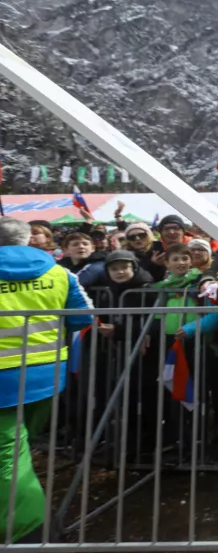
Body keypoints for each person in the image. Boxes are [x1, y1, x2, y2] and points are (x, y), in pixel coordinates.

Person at [0, 217, 94, 543]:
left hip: (4, 381)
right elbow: (83, 317)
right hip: (46, 375)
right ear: (28, 239)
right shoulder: (60, 273)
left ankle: (28, 529)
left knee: (9, 457)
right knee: (17, 450)